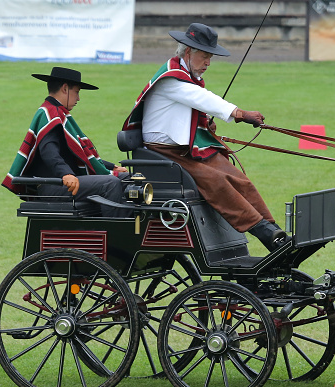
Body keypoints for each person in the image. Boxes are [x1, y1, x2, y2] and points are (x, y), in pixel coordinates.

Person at [122, 22, 287, 251]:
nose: (208, 63)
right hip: (164, 153)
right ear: (188, 52)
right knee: (217, 182)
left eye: (211, 57)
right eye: (205, 56)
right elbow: (201, 98)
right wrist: (239, 113)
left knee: (237, 177)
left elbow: (191, 106)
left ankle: (274, 230)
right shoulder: (171, 79)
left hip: (185, 148)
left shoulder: (184, 76)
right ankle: (262, 231)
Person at [3, 67, 129, 217]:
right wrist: (66, 174)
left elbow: (76, 154)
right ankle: (116, 236)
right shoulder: (51, 114)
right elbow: (48, 151)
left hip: (64, 180)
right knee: (110, 184)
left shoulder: (57, 112)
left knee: (127, 179)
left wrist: (110, 166)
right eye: (77, 92)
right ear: (65, 89)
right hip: (52, 185)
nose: (78, 98)